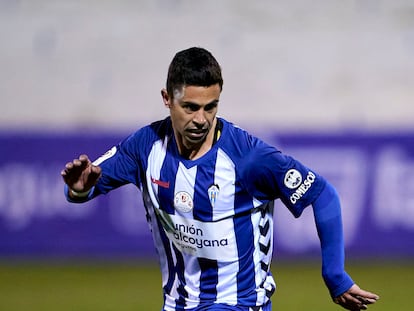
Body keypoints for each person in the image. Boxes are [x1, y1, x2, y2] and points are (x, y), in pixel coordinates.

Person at [61, 47, 379, 311]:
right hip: (178, 304)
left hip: (241, 303)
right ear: (166, 98)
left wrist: (335, 274)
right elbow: (86, 186)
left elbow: (323, 194)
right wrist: (78, 189)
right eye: (190, 107)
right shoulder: (146, 147)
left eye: (210, 107)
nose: (201, 119)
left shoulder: (250, 157)